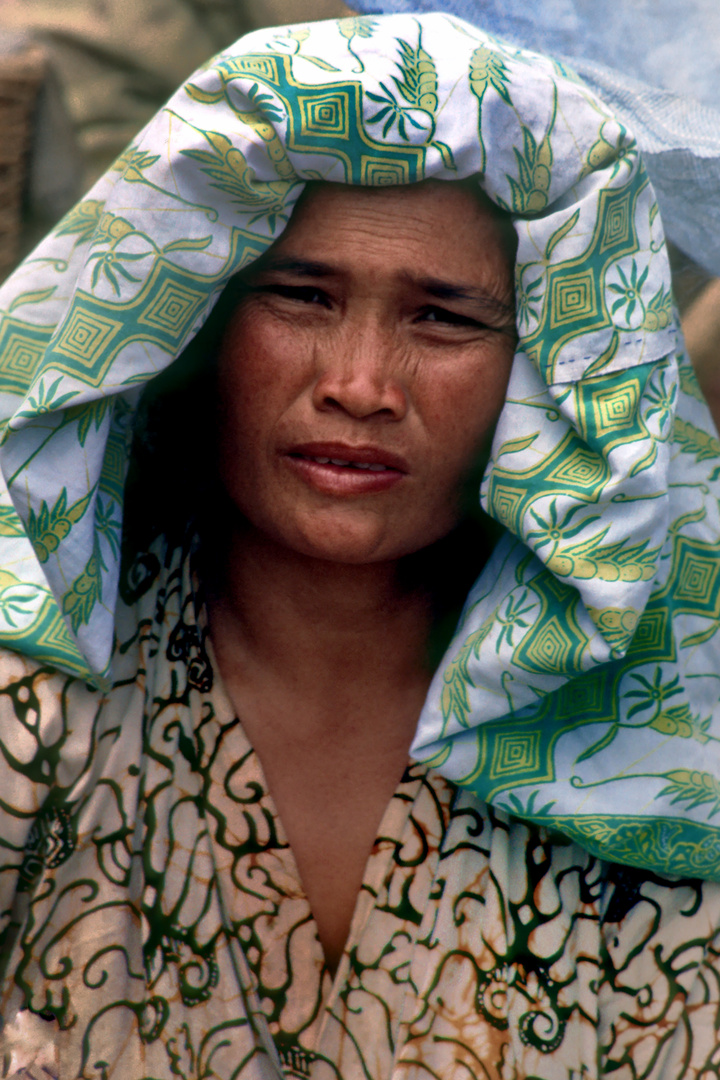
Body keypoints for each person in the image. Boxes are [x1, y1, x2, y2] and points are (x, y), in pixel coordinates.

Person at [1, 12, 720, 1079]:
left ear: (543, 380)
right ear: (196, 313)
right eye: (301, 295)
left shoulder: (666, 731)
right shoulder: (40, 690)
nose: (361, 384)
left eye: (443, 319)